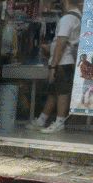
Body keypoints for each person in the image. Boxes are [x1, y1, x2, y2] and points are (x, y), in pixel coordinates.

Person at [27, 0, 82, 133]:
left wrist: (52, 67)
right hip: (65, 61)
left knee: (62, 93)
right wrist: (50, 48)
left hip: (62, 62)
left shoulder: (67, 19)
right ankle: (41, 120)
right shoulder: (77, 17)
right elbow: (64, 43)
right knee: (53, 92)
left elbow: (61, 45)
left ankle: (59, 123)